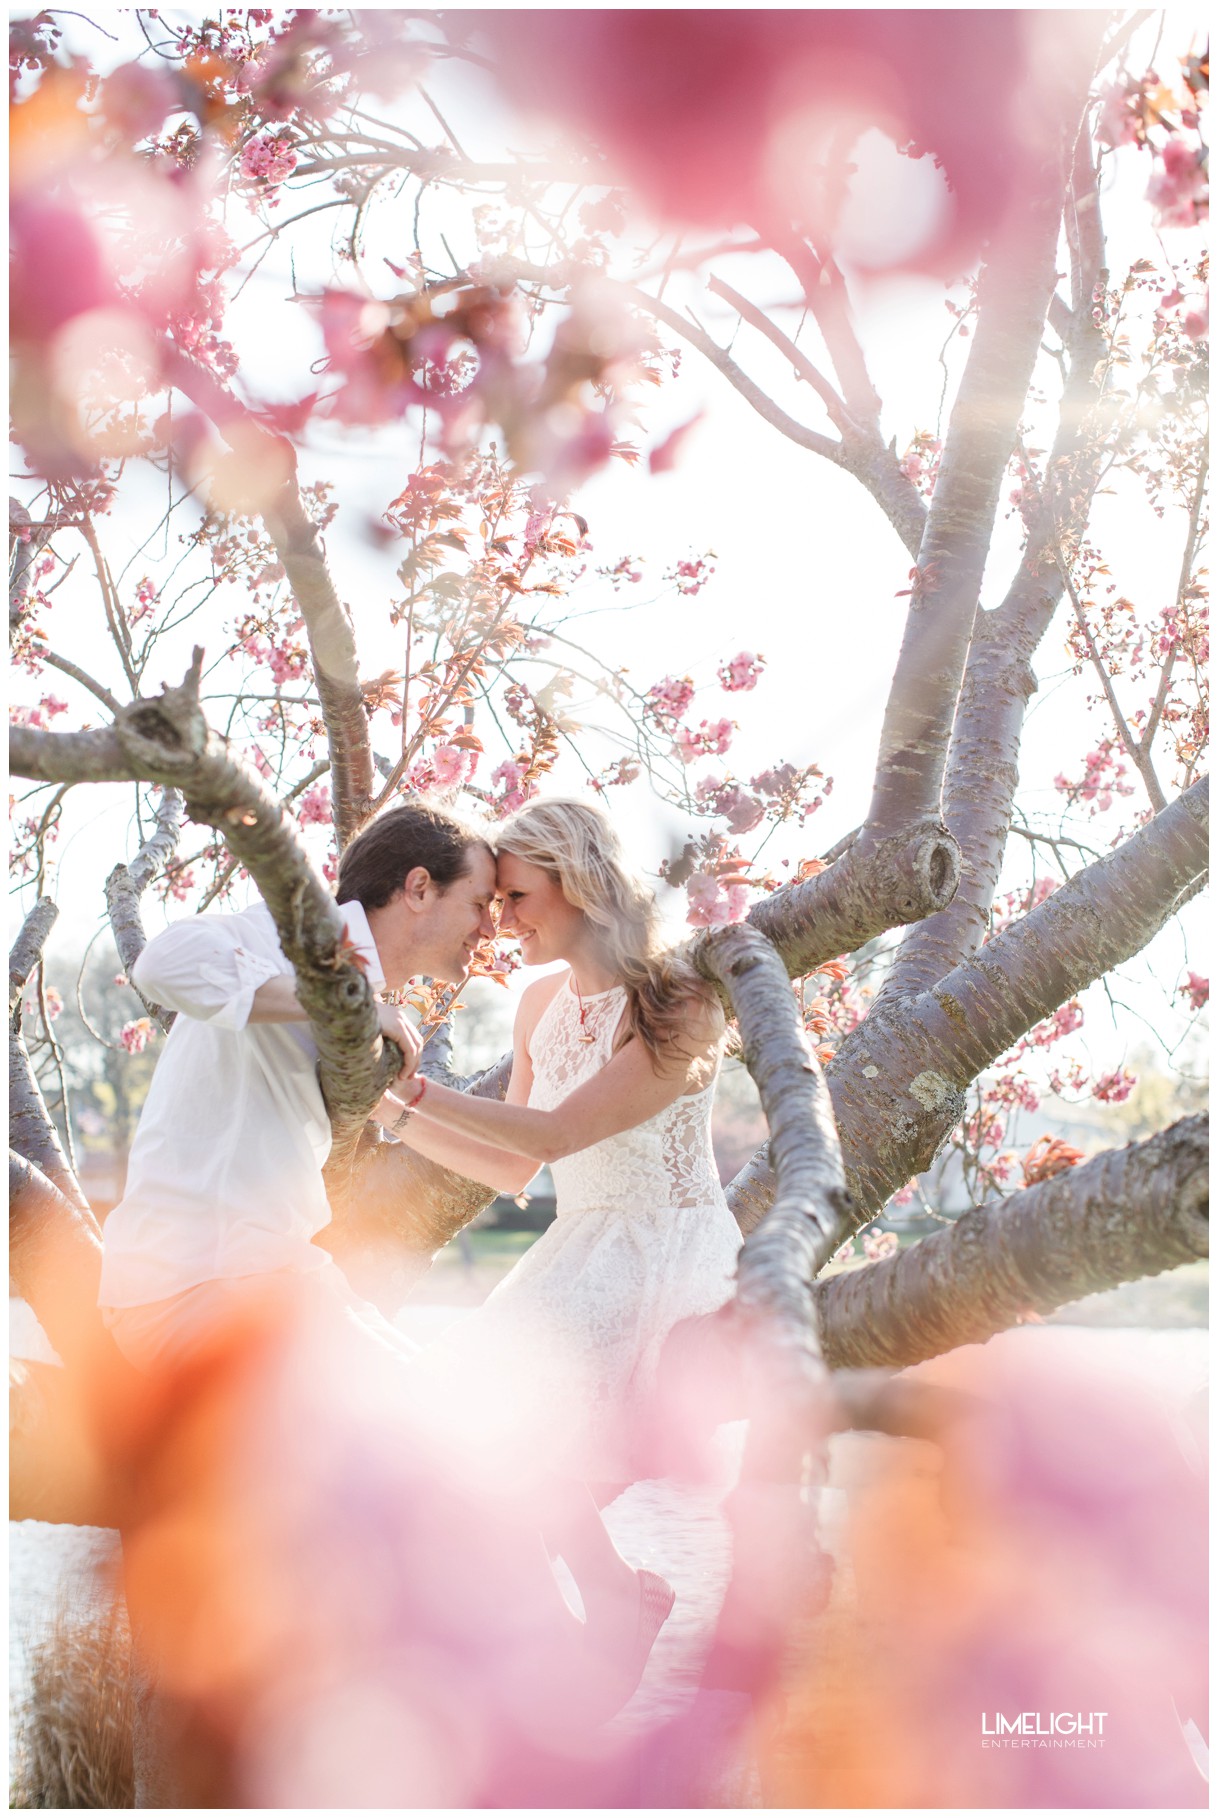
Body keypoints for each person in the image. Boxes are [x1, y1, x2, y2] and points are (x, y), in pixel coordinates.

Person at [376, 797, 745, 1679]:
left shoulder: (680, 1003)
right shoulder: (539, 1001)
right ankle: (594, 1606)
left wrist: (409, 1086)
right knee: (474, 1431)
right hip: (578, 1243)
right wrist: (381, 1107)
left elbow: (552, 1136)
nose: (501, 923)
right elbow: (511, 1169)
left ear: (579, 884)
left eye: (517, 898)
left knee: (516, 1426)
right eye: (494, 903)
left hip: (663, 1248)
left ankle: (604, 1604)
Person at [97, 797, 497, 1372]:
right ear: (418, 888)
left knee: (444, 1403)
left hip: (274, 1275)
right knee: (413, 1426)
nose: (490, 929)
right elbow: (160, 964)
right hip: (195, 1281)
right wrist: (345, 1004)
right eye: (480, 904)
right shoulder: (292, 938)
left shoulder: (363, 993)